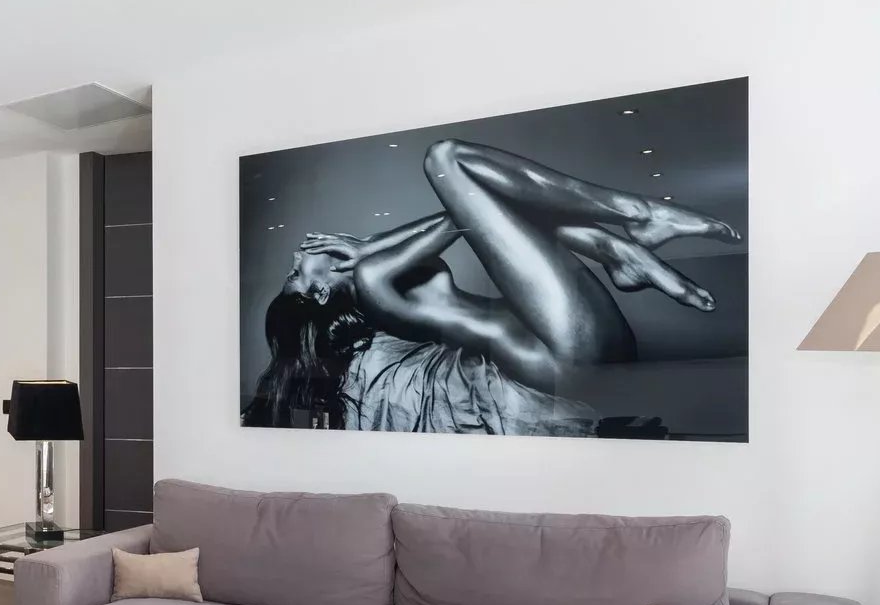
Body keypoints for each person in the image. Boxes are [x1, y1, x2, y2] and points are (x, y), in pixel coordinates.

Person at [244, 139, 740, 433]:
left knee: (472, 185)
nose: (296, 257)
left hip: (568, 342)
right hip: (564, 353)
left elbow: (482, 217)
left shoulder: (378, 277)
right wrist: (372, 244)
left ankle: (624, 243)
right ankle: (633, 223)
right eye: (295, 274)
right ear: (321, 292)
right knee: (446, 158)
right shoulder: (374, 282)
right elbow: (467, 218)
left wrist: (375, 243)